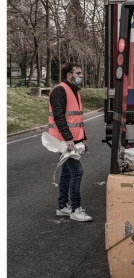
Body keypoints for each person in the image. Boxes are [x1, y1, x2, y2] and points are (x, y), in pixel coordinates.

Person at [48, 62, 92, 222]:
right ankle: (75, 209)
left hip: (70, 139)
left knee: (67, 172)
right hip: (62, 140)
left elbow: (77, 119)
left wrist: (83, 138)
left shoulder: (74, 91)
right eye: (78, 73)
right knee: (77, 172)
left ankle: (62, 207)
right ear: (69, 75)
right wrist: (68, 139)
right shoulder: (60, 91)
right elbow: (59, 117)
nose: (81, 76)